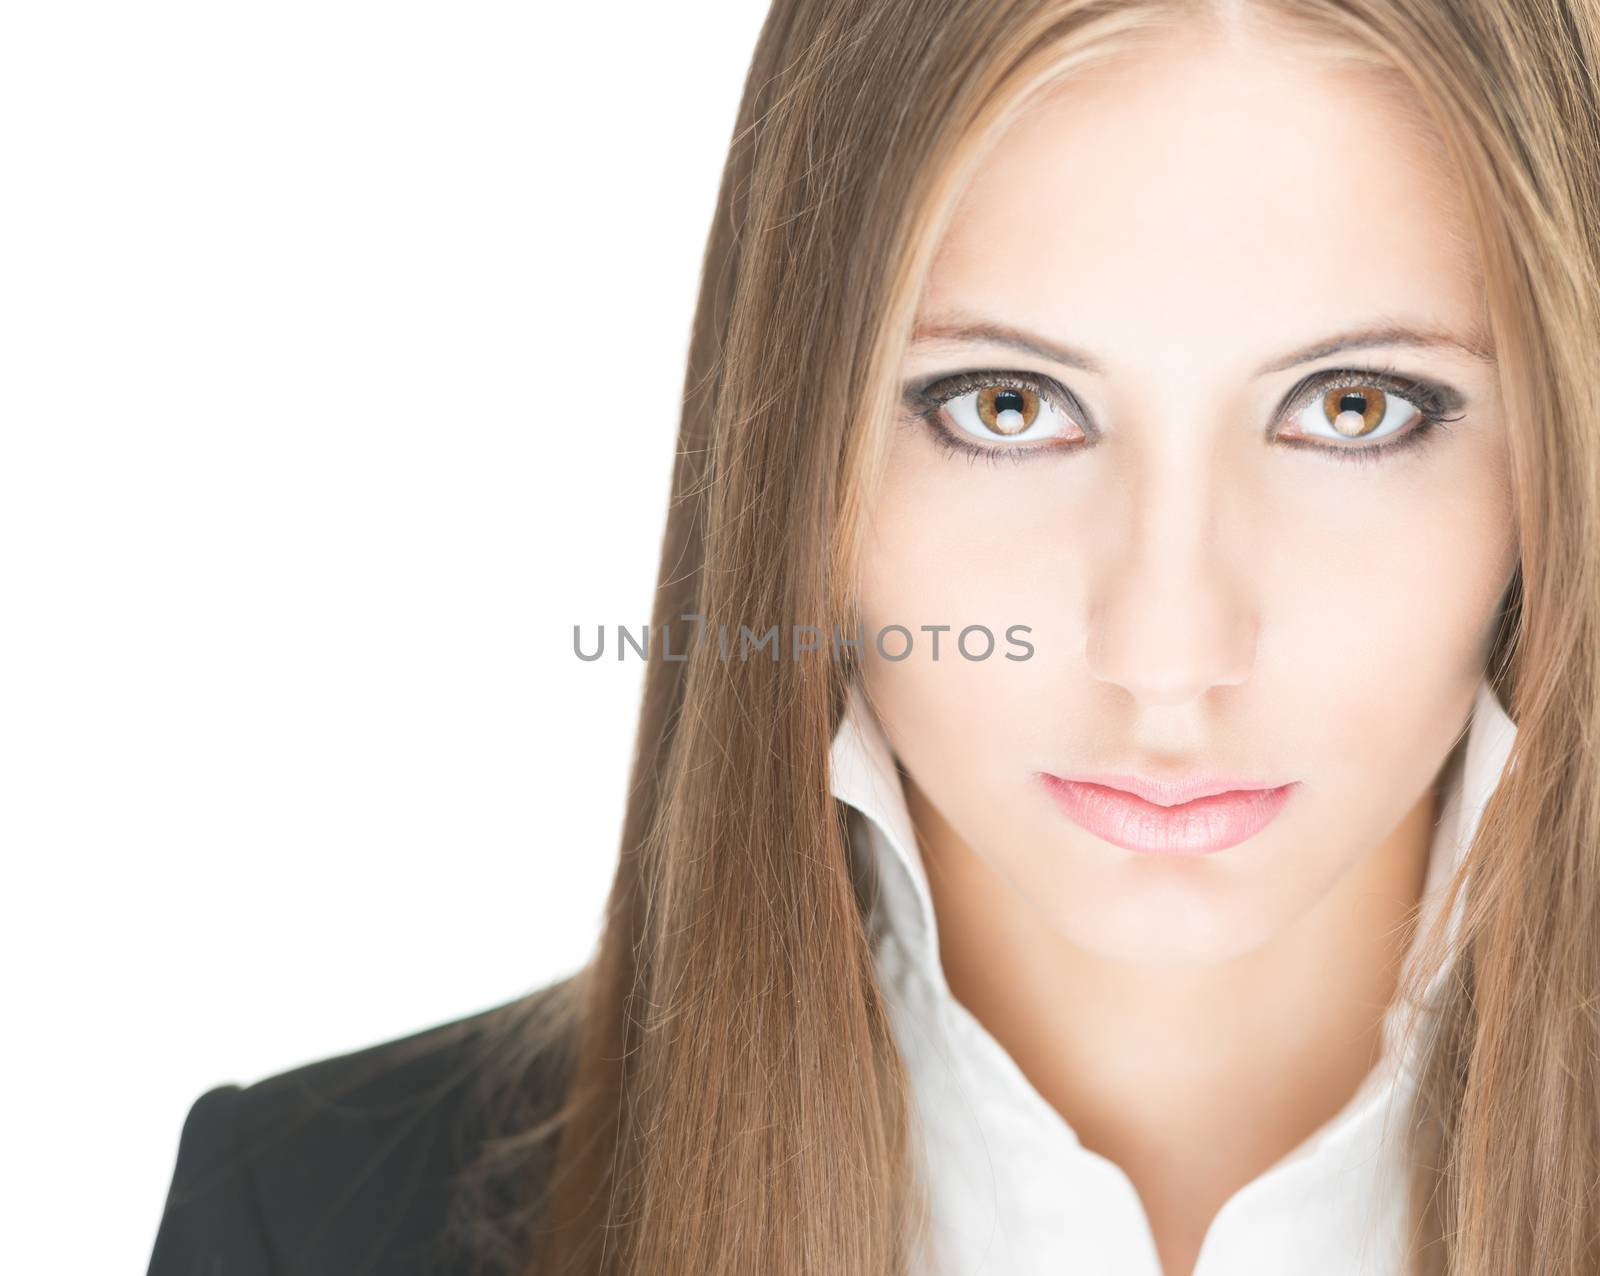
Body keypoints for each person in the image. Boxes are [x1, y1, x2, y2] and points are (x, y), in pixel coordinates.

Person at [147, 1, 1600, 1274]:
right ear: (803, 454)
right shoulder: (312, 1225)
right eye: (1005, 406)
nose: (1167, 653)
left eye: (1354, 408)